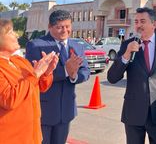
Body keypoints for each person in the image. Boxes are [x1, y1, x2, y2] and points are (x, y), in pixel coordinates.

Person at [108, 7, 156, 144]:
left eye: (142, 21)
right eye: (136, 21)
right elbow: (112, 77)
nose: (138, 25)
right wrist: (126, 55)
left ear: (154, 24)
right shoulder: (127, 44)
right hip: (133, 112)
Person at [26, 10, 90, 144]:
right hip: (45, 112)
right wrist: (66, 71)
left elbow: (85, 71)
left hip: (66, 110)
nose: (64, 30)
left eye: (67, 26)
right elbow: (34, 75)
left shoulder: (77, 46)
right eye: (59, 27)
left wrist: (74, 76)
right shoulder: (36, 45)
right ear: (50, 27)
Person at [0, 19, 58, 144]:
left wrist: (46, 72)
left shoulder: (20, 61)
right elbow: (10, 99)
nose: (16, 35)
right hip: (10, 138)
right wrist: (36, 73)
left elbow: (39, 86)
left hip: (32, 135)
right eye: (10, 32)